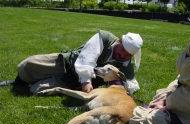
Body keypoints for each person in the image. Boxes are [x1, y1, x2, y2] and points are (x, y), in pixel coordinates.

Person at [0, 30, 143, 94]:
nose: (123, 55)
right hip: (67, 63)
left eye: (128, 55)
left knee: (36, 90)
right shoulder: (104, 38)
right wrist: (86, 81)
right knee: (30, 64)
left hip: (71, 82)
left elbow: (132, 85)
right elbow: (87, 58)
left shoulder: (126, 65)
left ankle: (36, 83)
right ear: (119, 41)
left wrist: (117, 88)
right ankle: (18, 82)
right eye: (122, 50)